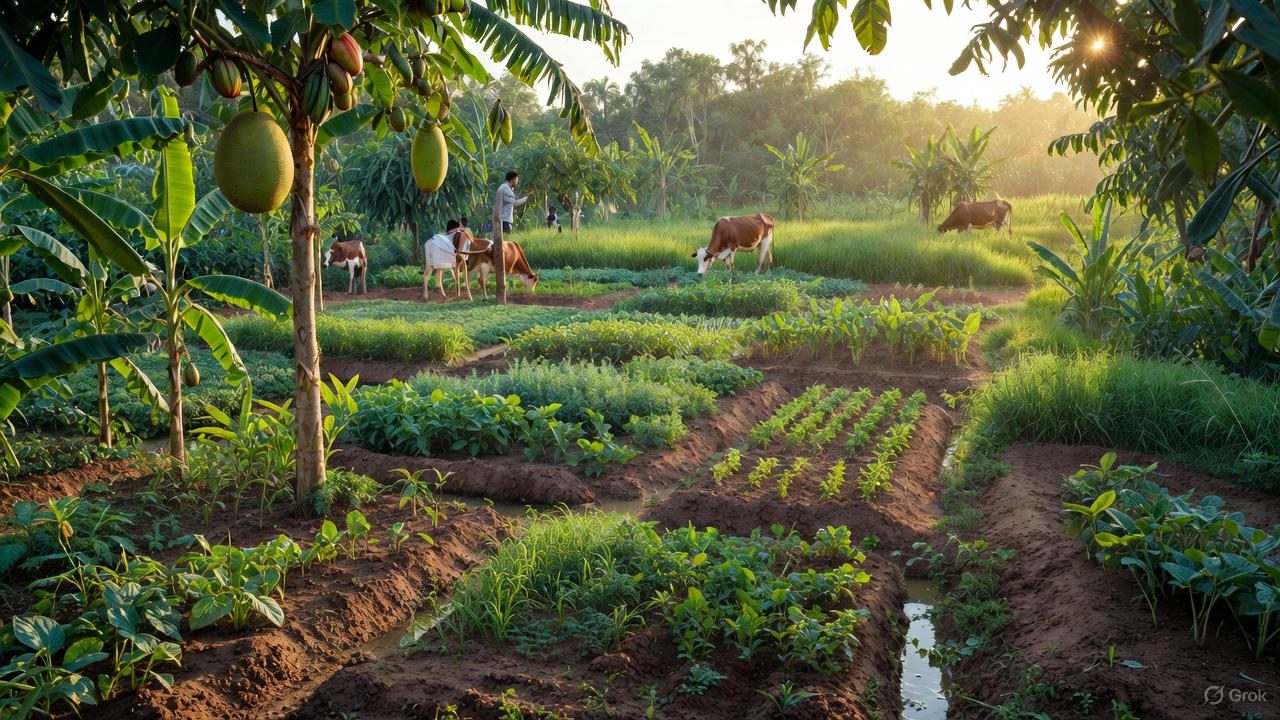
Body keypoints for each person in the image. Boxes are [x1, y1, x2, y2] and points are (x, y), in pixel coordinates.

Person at [423, 219, 463, 300]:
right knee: (438, 271)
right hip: (442, 249)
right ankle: (457, 293)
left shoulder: (443, 236)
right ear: (456, 228)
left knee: (431, 272)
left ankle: (429, 294)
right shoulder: (455, 234)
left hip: (433, 244)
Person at [496, 170, 533, 235]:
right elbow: (514, 203)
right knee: (506, 239)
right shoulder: (506, 189)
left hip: (500, 219)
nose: (517, 182)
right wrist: (526, 197)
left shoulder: (503, 187)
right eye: (517, 180)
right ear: (514, 179)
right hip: (505, 220)